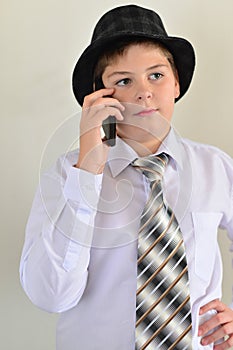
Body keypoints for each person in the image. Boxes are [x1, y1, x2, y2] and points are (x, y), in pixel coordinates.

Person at [19, 4, 233, 350]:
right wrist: (88, 172)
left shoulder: (216, 168)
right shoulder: (66, 175)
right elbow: (51, 295)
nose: (143, 92)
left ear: (176, 81)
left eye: (157, 75)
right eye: (123, 81)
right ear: (101, 96)